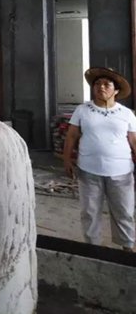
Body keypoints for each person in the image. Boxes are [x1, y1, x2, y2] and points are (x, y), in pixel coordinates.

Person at [63, 67, 136, 251]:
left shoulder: (126, 113)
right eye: (97, 84)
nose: (100, 87)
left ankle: (127, 247)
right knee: (89, 212)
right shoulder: (82, 110)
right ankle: (92, 248)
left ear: (116, 90)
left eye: (106, 84)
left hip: (121, 172)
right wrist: (67, 159)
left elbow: (133, 140)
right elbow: (71, 136)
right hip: (89, 171)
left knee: (124, 211)